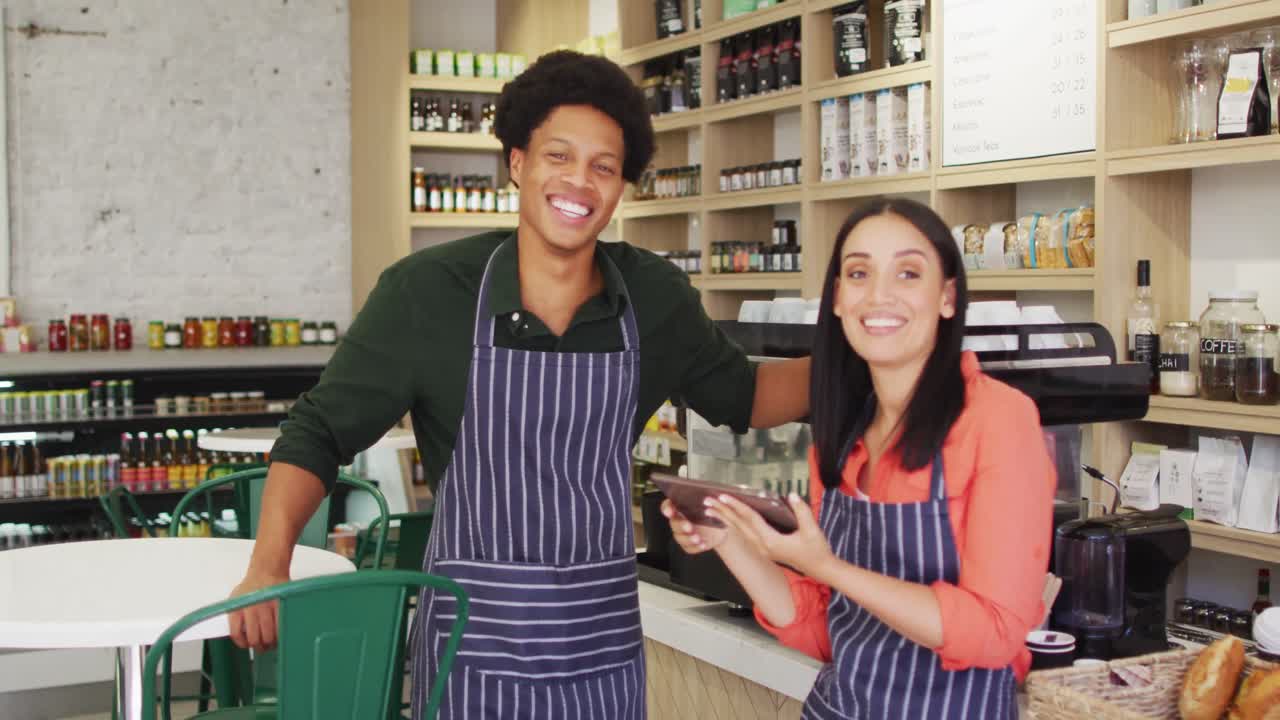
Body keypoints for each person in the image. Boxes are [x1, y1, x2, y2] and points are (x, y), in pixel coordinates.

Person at [226, 50, 810, 719]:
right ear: (517, 163)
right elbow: (318, 432)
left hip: (602, 651)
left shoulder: (653, 297)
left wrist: (871, 362)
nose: (579, 182)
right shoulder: (429, 293)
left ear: (622, 187)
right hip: (473, 656)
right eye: (558, 156)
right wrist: (270, 564)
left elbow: (745, 397)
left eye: (604, 167)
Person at [664, 198, 1055, 719]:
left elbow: (994, 634)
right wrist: (730, 540)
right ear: (837, 300)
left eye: (908, 273)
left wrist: (827, 566)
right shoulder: (844, 429)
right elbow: (831, 631)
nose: (879, 295)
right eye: (858, 273)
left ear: (947, 297)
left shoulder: (998, 419)